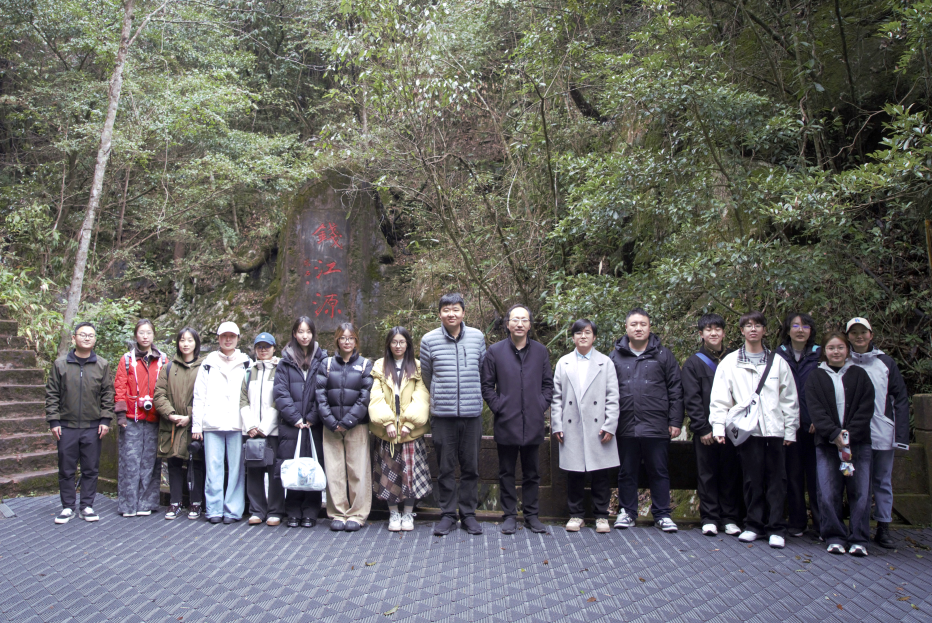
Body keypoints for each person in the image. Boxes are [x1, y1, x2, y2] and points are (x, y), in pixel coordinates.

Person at [710, 311, 800, 549]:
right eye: (748, 326)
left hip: (774, 430)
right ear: (741, 331)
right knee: (751, 480)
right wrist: (718, 427)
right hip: (748, 431)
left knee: (777, 480)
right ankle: (753, 524)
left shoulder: (778, 362)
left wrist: (790, 430)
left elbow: (789, 399)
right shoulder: (730, 362)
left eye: (758, 325)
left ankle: (776, 527)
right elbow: (720, 398)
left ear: (764, 330)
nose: (753, 329)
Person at [480, 304, 553, 535]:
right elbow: (487, 386)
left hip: (533, 421)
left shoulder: (540, 351)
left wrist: (540, 405)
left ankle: (531, 515)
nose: (519, 324)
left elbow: (548, 385)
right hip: (506, 421)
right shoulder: (495, 351)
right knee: (506, 472)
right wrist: (499, 407)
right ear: (507, 324)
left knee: (532, 472)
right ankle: (509, 515)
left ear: (530, 324)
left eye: (524, 320)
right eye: (515, 319)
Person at [609, 308, 684, 533]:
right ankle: (627, 511)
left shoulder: (664, 355)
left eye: (643, 324)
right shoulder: (615, 356)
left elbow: (675, 389)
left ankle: (662, 514)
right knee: (626, 471)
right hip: (625, 424)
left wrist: (675, 420)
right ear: (626, 328)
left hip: (656, 424)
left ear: (650, 327)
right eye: (634, 324)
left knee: (659, 470)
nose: (638, 328)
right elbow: (607, 391)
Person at [419, 293, 488, 536]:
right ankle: (447, 514)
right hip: (443, 415)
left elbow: (483, 370)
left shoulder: (477, 337)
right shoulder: (429, 340)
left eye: (456, 309)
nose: (451, 313)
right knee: (445, 467)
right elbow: (427, 375)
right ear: (439, 314)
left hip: (471, 413)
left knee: (471, 467)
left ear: (463, 312)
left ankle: (468, 514)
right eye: (446, 309)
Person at [805, 332, 875, 556]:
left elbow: (866, 407)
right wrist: (834, 433)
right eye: (831, 348)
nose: (836, 352)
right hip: (827, 444)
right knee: (828, 491)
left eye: (840, 347)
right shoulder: (816, 377)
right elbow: (815, 410)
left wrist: (848, 435)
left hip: (858, 443)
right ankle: (834, 536)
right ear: (824, 351)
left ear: (847, 350)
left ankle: (859, 538)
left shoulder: (860, 375)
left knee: (860, 492)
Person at [846, 317, 910, 549]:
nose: (859, 336)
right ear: (848, 336)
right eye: (854, 333)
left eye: (863, 332)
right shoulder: (843, 359)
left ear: (871, 335)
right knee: (854, 482)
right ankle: (856, 527)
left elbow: (899, 398)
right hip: (853, 434)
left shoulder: (885, 362)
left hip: (882, 432)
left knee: (882, 481)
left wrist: (901, 436)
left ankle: (883, 527)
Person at [551, 319, 620, 533]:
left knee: (600, 473)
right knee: (574, 473)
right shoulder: (563, 362)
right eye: (578, 333)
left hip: (598, 425)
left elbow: (613, 396)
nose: (583, 336)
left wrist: (610, 425)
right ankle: (576, 514)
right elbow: (556, 397)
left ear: (594, 337)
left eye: (587, 332)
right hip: (571, 424)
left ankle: (601, 516)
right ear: (572, 337)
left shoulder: (605, 362)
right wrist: (557, 424)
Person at [46, 322, 114, 524]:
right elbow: (52, 394)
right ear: (74, 338)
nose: (86, 338)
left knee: (90, 468)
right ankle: (67, 506)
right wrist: (54, 421)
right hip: (66, 426)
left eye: (90, 335)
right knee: (66, 468)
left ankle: (87, 506)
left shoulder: (102, 365)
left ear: (95, 339)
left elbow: (107, 393)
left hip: (92, 426)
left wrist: (105, 419)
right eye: (82, 334)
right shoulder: (60, 364)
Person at [681, 313, 741, 537]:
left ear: (724, 333)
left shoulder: (735, 359)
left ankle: (730, 517)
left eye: (717, 329)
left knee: (730, 472)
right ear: (701, 334)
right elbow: (692, 398)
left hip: (732, 429)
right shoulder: (694, 363)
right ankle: (709, 517)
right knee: (707, 473)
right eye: (708, 330)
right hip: (706, 430)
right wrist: (702, 428)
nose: (713, 333)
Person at [368, 327, 432, 532]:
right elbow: (376, 397)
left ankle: (408, 513)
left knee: (409, 475)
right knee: (389, 474)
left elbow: (422, 396)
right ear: (388, 344)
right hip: (387, 432)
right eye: (394, 342)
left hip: (409, 432)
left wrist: (410, 423)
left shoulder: (417, 366)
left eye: (402, 342)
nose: (398, 346)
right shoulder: (380, 366)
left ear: (408, 344)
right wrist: (387, 422)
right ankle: (394, 513)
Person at [192, 321, 251, 524]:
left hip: (237, 422)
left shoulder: (246, 363)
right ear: (218, 338)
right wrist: (197, 425)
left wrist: (250, 424)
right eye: (224, 336)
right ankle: (214, 509)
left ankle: (233, 510)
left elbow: (250, 394)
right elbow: (199, 395)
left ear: (238, 338)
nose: (228, 339)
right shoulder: (208, 363)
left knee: (236, 469)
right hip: (213, 422)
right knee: (213, 467)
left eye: (232, 336)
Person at [317, 322, 374, 531]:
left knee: (358, 469)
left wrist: (348, 421)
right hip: (331, 426)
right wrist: (332, 422)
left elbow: (365, 396)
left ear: (356, 340)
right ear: (337, 340)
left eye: (350, 338)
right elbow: (320, 395)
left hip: (357, 425)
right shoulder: (327, 364)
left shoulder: (365, 364)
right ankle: (338, 513)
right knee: (334, 471)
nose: (347, 342)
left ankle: (357, 514)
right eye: (343, 338)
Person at [274, 316, 327, 528]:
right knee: (293, 465)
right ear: (294, 334)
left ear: (313, 334)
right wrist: (295, 417)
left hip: (314, 424)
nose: (305, 336)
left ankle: (311, 511)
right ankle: (293, 510)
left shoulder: (322, 359)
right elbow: (280, 392)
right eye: (300, 332)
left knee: (313, 464)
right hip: (291, 425)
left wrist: (313, 416)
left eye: (308, 332)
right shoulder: (285, 361)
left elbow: (323, 390)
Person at [115, 318, 168, 517]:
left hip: (155, 418)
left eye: (149, 332)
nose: (145, 336)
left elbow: (167, 387)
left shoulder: (162, 360)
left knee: (151, 463)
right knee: (129, 462)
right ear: (136, 335)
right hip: (131, 418)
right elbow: (120, 387)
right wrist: (121, 415)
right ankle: (128, 505)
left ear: (154, 335)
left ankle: (146, 503)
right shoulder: (127, 360)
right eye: (141, 333)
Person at [776, 312, 822, 538]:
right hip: (788, 425)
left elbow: (828, 389)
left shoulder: (820, 355)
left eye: (805, 326)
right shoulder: (778, 355)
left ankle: (821, 522)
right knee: (792, 474)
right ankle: (797, 521)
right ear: (787, 330)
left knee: (817, 476)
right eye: (795, 325)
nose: (800, 330)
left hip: (815, 426)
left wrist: (819, 419)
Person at [154, 327, 207, 520]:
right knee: (174, 461)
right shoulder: (168, 368)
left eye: (190, 340)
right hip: (173, 423)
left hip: (195, 423)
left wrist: (190, 416)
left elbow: (209, 395)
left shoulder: (204, 367)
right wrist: (171, 414)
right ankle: (175, 502)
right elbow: (159, 394)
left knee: (197, 462)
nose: (186, 344)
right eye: (182, 340)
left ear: (196, 343)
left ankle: (196, 502)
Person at [240, 332, 284, 526]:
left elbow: (279, 399)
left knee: (274, 472)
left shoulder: (280, 369)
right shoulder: (249, 372)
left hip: (272, 431)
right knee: (254, 470)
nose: (263, 350)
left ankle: (275, 510)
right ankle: (257, 509)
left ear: (274, 348)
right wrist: (250, 425)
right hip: (251, 430)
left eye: (267, 346)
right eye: (259, 346)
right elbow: (243, 399)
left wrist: (265, 427)